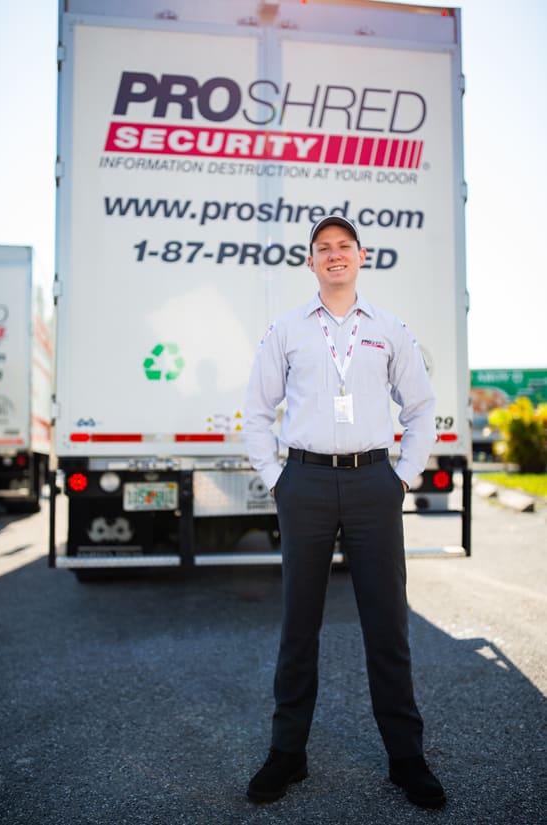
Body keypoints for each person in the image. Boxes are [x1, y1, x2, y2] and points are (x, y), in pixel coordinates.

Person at [243, 214, 445, 810]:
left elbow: (422, 408)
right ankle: (288, 755)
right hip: (302, 482)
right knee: (298, 627)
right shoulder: (286, 330)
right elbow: (256, 413)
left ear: (362, 257)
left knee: (387, 626)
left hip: (372, 484)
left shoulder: (389, 329)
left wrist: (401, 477)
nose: (334, 256)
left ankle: (406, 758)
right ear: (311, 263)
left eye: (343, 247)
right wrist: (277, 479)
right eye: (323, 249)